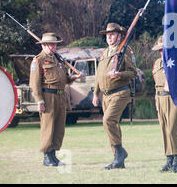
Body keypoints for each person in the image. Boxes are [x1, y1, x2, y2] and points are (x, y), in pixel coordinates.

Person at [29, 33, 84, 166]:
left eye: (55, 44)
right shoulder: (38, 60)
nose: (54, 47)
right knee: (48, 127)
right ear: (43, 45)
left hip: (60, 96)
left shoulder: (58, 60)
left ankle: (53, 156)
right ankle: (47, 157)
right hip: (48, 97)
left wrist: (73, 78)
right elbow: (34, 83)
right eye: (51, 44)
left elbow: (64, 79)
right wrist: (40, 101)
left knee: (59, 128)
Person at [92, 23, 137, 170]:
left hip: (120, 92)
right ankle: (118, 160)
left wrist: (120, 74)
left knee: (108, 120)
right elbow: (99, 75)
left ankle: (119, 152)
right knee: (112, 125)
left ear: (119, 36)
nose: (109, 37)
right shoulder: (104, 53)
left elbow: (133, 72)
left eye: (112, 34)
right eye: (107, 35)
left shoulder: (125, 51)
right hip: (106, 96)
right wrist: (95, 94)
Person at [151, 36, 177, 172]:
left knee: (173, 129)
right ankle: (169, 159)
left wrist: (173, 86)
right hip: (160, 99)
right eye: (160, 50)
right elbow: (156, 84)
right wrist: (157, 100)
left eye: (164, 49)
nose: (162, 52)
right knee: (164, 130)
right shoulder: (157, 63)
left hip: (173, 99)